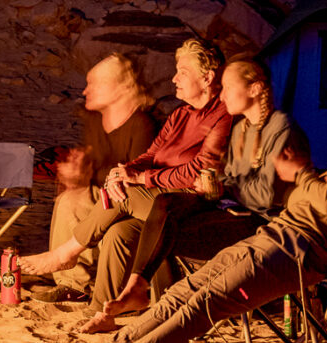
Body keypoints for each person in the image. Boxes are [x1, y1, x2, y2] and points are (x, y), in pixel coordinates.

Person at [39, 84, 327, 343]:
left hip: (302, 251)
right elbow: (315, 194)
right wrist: (316, 183)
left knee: (208, 303)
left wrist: (306, 174)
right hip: (274, 235)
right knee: (184, 291)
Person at [81, 58, 305, 332]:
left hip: (262, 226)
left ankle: (144, 295)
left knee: (159, 214)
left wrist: (223, 186)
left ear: (256, 89)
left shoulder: (280, 127)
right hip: (228, 211)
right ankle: (105, 311)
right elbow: (231, 178)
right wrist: (216, 185)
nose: (221, 95)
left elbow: (266, 196)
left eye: (227, 88)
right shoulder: (242, 129)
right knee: (125, 231)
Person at [17, 37, 232, 280]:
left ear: (207, 78)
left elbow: (198, 169)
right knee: (109, 219)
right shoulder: (179, 115)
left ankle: (65, 256)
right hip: (145, 193)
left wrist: (133, 177)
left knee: (117, 195)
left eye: (182, 72)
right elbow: (149, 155)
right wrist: (120, 173)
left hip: (179, 198)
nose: (174, 79)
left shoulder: (216, 116)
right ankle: (104, 306)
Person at [38, 53, 158, 301]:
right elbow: (94, 169)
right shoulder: (95, 120)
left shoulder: (142, 125)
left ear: (119, 88)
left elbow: (131, 179)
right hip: (102, 192)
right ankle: (73, 284)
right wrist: (76, 174)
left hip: (128, 198)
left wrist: (89, 173)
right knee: (69, 200)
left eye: (94, 84)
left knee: (100, 211)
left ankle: (111, 282)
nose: (85, 91)